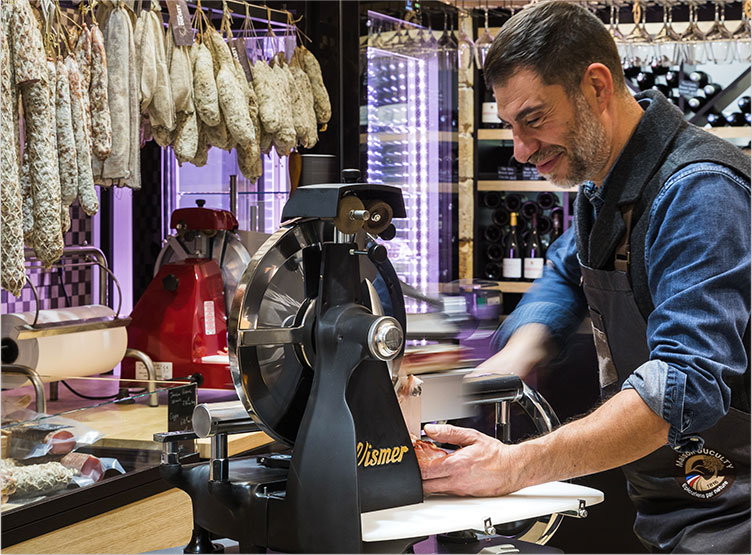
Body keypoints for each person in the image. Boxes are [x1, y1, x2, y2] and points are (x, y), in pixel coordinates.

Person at [420, 2, 751, 552]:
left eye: (533, 118)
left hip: (735, 518)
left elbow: (683, 384)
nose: (522, 150)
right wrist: (514, 358)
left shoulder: (700, 193)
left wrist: (513, 467)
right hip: (677, 508)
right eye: (509, 126)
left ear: (597, 87)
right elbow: (566, 271)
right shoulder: (606, 184)